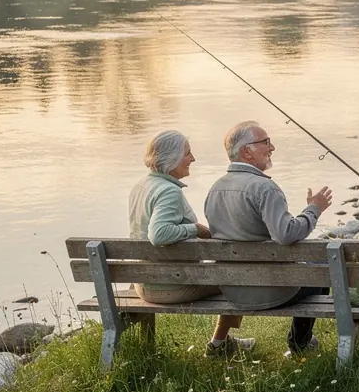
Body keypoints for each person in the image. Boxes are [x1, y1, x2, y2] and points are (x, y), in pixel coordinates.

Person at [205, 121, 332, 356]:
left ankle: (298, 342)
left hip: (232, 290)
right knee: (321, 271)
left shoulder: (215, 189)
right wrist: (313, 210)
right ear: (246, 151)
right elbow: (285, 234)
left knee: (315, 269)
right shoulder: (265, 189)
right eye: (265, 142)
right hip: (272, 291)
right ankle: (299, 342)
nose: (272, 148)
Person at [128, 130, 252, 354]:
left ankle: (221, 342)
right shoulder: (168, 191)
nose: (193, 159)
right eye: (188, 153)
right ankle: (219, 345)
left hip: (143, 283)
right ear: (171, 158)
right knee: (239, 278)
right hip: (171, 286)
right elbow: (159, 234)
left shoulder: (141, 186)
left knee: (231, 273)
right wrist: (194, 229)